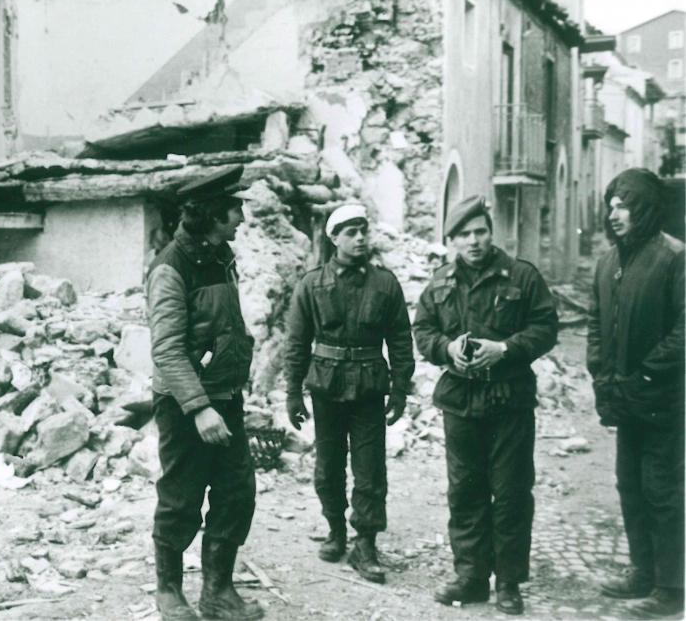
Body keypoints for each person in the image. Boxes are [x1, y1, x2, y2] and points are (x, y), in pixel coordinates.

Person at [412, 195, 558, 615]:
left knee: (511, 491)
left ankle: (509, 580)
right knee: (465, 491)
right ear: (452, 240)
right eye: (464, 235)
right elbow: (422, 330)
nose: (474, 241)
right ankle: (471, 576)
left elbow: (546, 327)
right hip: (460, 401)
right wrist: (446, 348)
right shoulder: (440, 282)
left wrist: (507, 348)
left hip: (509, 399)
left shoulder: (521, 276)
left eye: (480, 232)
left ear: (491, 234)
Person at [146, 165, 264, 621]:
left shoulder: (219, 258)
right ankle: (169, 590)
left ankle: (218, 592)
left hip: (226, 399)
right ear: (213, 213)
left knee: (237, 493)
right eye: (235, 208)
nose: (241, 217)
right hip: (184, 406)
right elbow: (168, 351)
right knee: (181, 497)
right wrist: (198, 409)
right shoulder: (170, 269)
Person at [283, 204, 414, 584]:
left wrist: (401, 389)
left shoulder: (385, 284)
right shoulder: (311, 284)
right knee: (328, 465)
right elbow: (296, 342)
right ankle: (336, 530)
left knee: (370, 468)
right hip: (326, 387)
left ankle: (366, 542)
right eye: (351, 232)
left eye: (363, 231)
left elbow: (401, 340)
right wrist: (293, 392)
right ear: (334, 237)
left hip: (371, 387)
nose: (359, 238)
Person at [587, 168, 684, 619]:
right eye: (610, 205)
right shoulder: (610, 262)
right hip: (625, 399)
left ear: (643, 208)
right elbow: (595, 324)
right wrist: (599, 373)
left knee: (663, 490)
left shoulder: (674, 257)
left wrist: (646, 375)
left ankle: (672, 587)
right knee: (630, 486)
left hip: (664, 400)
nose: (613, 214)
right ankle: (642, 571)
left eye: (622, 205)